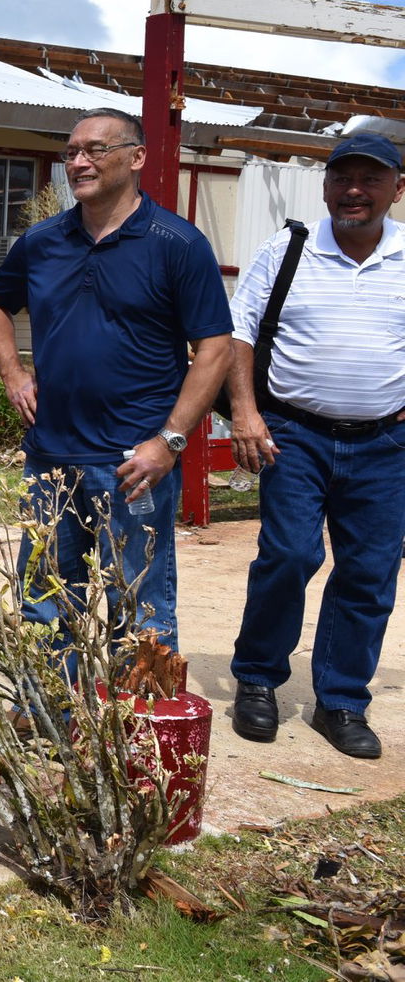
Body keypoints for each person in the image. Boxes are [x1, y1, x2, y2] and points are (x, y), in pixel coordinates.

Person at [0, 108, 232, 675]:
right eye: (71, 152)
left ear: (136, 157)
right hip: (51, 460)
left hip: (133, 463)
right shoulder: (42, 241)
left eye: (95, 149)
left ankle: (140, 734)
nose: (79, 162)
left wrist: (169, 441)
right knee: (44, 601)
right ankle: (49, 714)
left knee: (141, 604)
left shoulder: (177, 243)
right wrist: (13, 375)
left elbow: (214, 347)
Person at [227, 132, 405, 760]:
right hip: (294, 435)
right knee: (289, 555)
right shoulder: (289, 248)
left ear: (397, 189)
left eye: (371, 179)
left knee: (369, 572)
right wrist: (245, 413)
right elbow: (239, 333)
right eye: (342, 178)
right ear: (326, 186)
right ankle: (256, 679)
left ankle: (342, 700)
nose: (354, 190)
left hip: (387, 443)